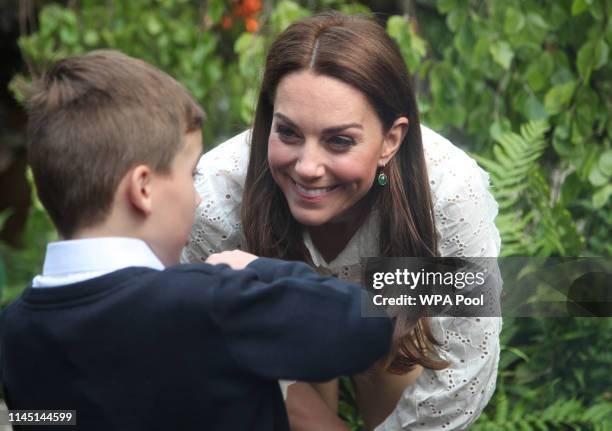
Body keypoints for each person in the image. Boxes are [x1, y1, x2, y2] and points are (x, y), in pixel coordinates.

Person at [0, 50, 394, 431]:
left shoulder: (14, 331)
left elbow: (44, 419)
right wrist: (255, 271)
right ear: (143, 189)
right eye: (190, 174)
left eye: (339, 140)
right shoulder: (210, 301)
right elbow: (366, 325)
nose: (199, 195)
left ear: (391, 142)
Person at [182, 13, 501, 431]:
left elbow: (463, 366)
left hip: (389, 319)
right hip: (277, 330)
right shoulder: (220, 189)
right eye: (289, 133)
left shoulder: (448, 193)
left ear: (391, 140)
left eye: (340, 141)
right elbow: (203, 337)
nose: (308, 168)